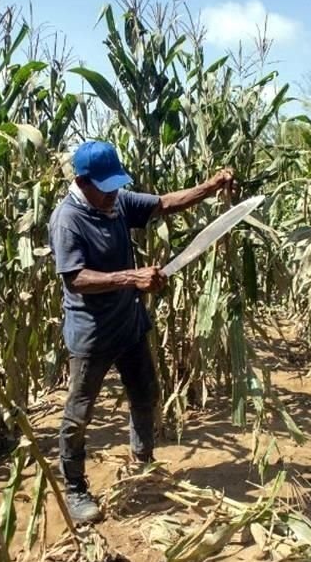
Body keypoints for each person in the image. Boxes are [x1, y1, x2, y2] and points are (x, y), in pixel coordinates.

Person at [47, 140, 234, 524]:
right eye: (106, 185)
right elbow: (75, 278)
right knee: (78, 414)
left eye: (117, 184)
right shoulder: (67, 219)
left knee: (145, 395)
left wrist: (211, 185)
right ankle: (75, 488)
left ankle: (142, 464)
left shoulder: (114, 201)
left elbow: (165, 203)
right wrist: (132, 277)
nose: (114, 192)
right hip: (92, 333)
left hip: (129, 325)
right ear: (82, 182)